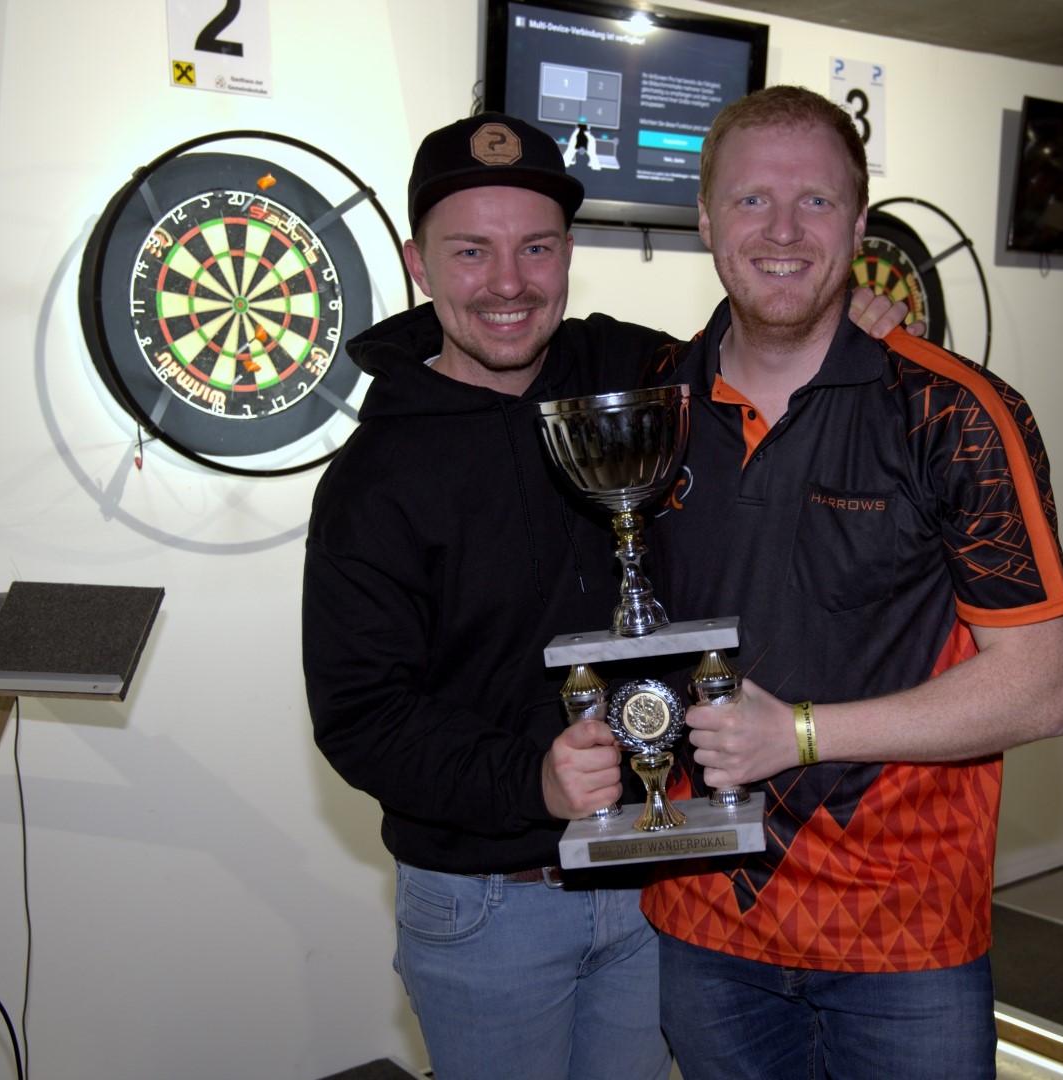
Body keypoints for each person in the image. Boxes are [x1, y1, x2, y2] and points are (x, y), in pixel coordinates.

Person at [301, 112, 905, 1080]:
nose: (509, 283)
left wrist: (844, 317)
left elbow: (759, 355)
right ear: (418, 264)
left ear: (569, 252)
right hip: (488, 900)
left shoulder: (628, 371)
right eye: (471, 251)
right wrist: (530, 782)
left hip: (653, 879)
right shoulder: (373, 480)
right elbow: (361, 717)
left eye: (536, 247)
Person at [639, 86, 1063, 1080]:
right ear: (704, 218)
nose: (782, 231)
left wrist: (798, 734)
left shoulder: (953, 413)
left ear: (858, 223)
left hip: (901, 932)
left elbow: (1042, 689)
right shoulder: (648, 408)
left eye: (816, 201)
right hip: (703, 921)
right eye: (751, 200)